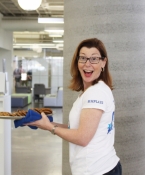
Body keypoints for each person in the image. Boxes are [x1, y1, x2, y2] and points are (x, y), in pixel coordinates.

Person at [26, 38, 122, 175]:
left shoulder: (96, 93)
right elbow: (77, 128)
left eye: (94, 59)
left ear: (103, 63)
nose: (87, 64)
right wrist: (46, 123)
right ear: (77, 62)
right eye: (83, 58)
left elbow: (82, 137)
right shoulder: (95, 90)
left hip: (96, 170)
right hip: (103, 167)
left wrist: (50, 128)